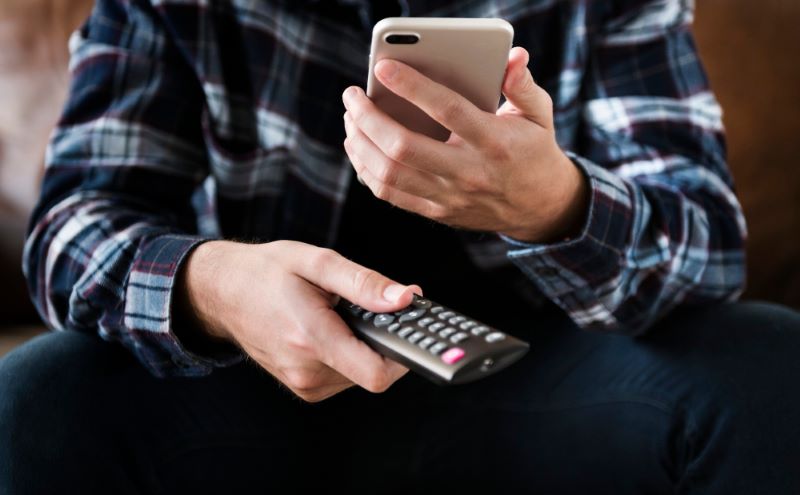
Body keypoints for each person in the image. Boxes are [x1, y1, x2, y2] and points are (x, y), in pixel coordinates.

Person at [1, 0, 799, 492]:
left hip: (542, 379)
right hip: (251, 381)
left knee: (773, 365)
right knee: (35, 393)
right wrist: (216, 285)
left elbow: (707, 243)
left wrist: (554, 202)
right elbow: (74, 225)